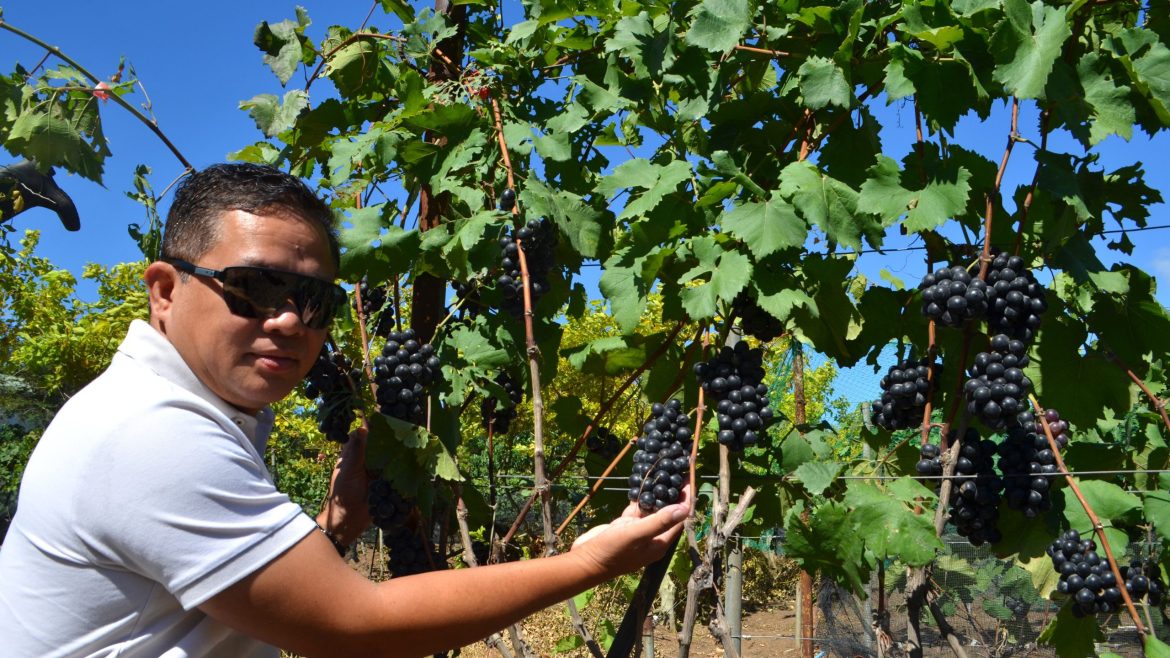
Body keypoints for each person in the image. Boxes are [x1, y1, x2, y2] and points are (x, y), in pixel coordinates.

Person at [0, 163, 690, 657]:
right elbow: (356, 625)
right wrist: (590, 564)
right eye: (256, 287)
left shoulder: (189, 408)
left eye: (316, 301)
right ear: (164, 291)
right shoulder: (151, 434)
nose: (291, 322)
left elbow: (213, 611)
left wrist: (332, 526)